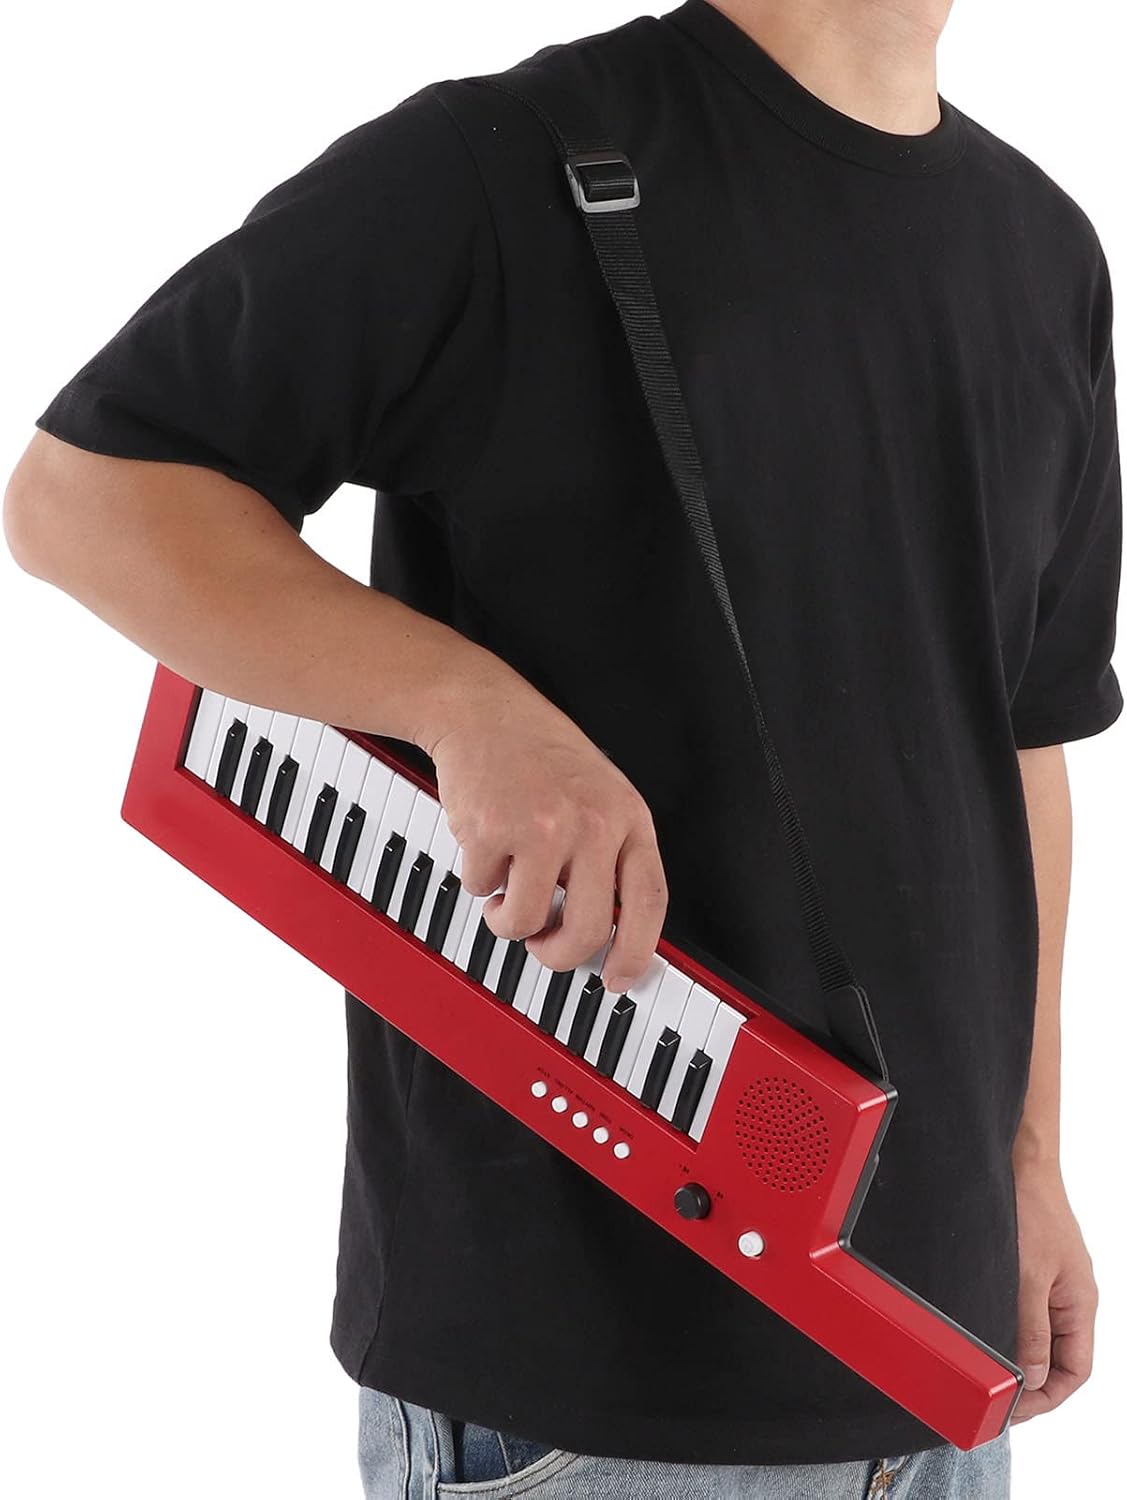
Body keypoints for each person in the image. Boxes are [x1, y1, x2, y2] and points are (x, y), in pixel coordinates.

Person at [4, 0, 1121, 1495]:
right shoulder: (503, 162)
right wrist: (463, 703)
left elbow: (1023, 741)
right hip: (582, 1396)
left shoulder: (1044, 250)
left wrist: (1029, 1162)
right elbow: (84, 496)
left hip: (926, 1354)